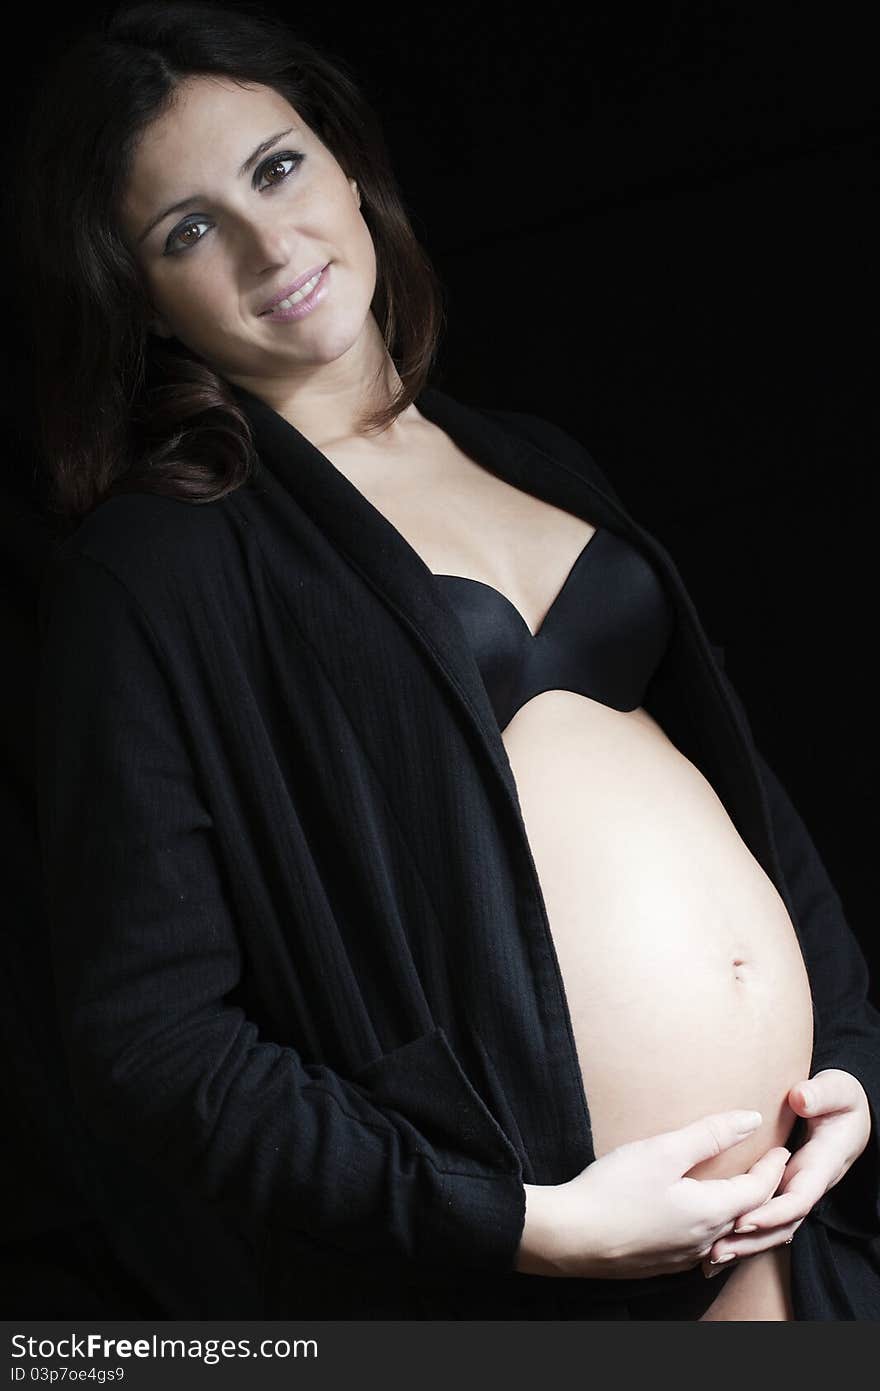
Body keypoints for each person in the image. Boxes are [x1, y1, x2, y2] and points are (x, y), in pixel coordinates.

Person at [17, 0, 880, 1320]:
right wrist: (523, 1225)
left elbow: (746, 792)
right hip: (527, 1289)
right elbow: (150, 1040)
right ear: (142, 298)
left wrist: (852, 1070)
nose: (267, 241)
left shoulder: (533, 455)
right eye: (188, 230)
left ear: (348, 166)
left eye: (278, 166)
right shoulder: (165, 561)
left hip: (789, 1243)